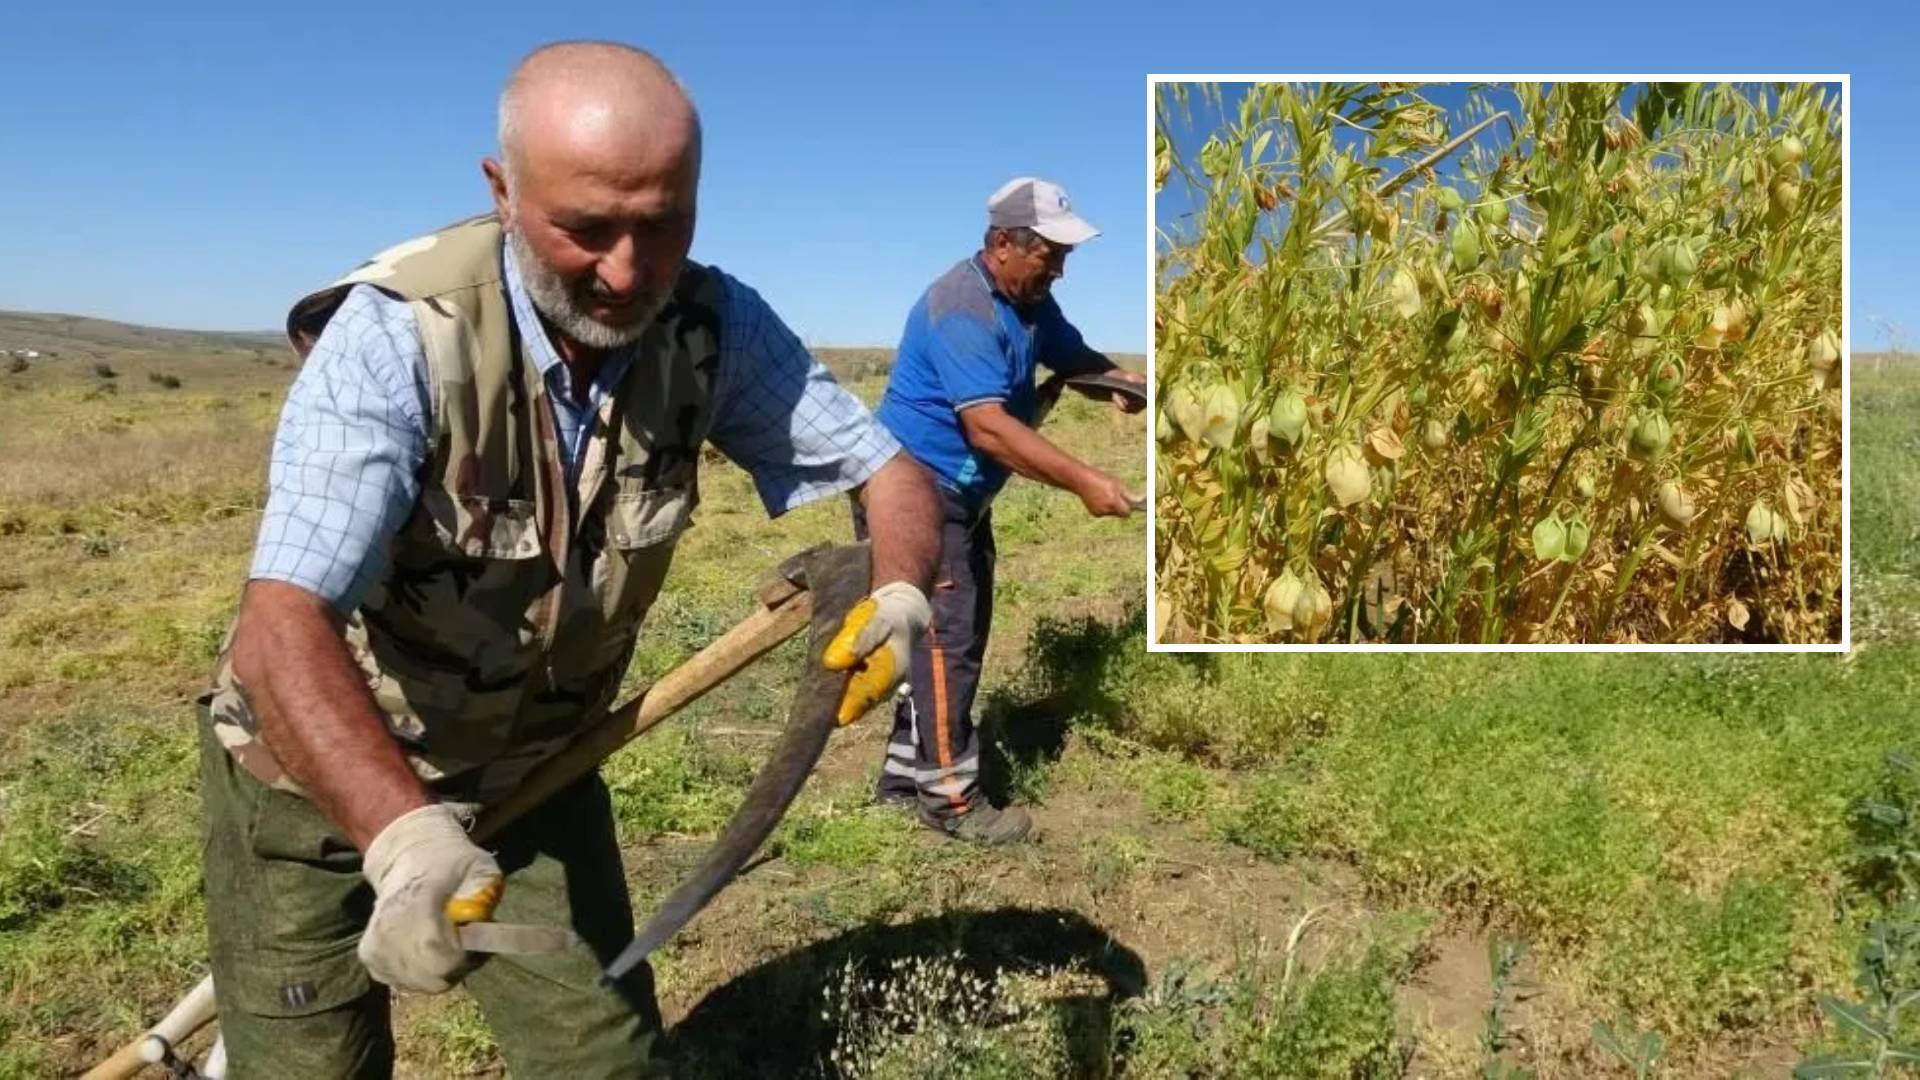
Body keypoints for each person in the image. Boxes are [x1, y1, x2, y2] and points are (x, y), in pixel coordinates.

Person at [194, 41, 939, 1077]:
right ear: (503, 191)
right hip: (307, 779)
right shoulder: (399, 334)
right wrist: (403, 839)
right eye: (585, 229)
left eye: (663, 223)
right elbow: (282, 627)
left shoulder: (713, 324)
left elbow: (884, 470)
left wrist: (900, 586)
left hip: (537, 773)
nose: (628, 270)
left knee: (610, 1065)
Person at [857, 177, 1144, 846]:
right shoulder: (962, 308)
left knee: (948, 635)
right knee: (944, 641)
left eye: (1065, 254)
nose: (1060, 266)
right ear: (1000, 244)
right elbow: (988, 429)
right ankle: (952, 802)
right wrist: (1085, 481)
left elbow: (1072, 359)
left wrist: (1119, 385)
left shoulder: (1031, 303)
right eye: (1049, 252)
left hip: (963, 496)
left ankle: (906, 781)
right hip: (915, 496)